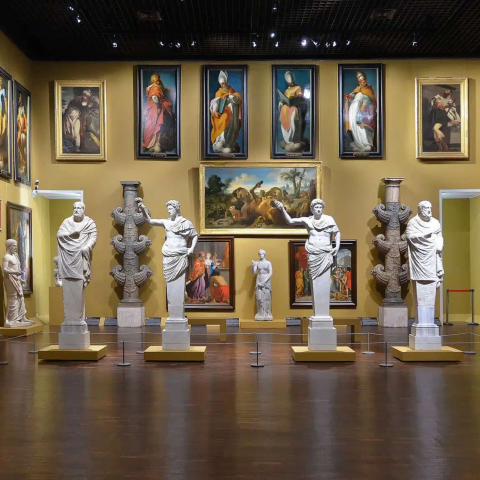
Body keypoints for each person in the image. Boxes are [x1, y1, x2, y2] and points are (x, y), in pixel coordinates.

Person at [275, 198, 340, 318]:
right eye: (316, 207)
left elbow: (337, 233)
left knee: (324, 282)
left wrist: (337, 246)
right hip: (313, 253)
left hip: (325, 252)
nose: (318, 209)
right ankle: (318, 315)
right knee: (315, 283)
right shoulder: (307, 220)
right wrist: (282, 209)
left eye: (320, 207)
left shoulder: (329, 219)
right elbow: (290, 221)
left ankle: (323, 315)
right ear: (312, 209)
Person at [137, 198, 197, 321]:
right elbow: (149, 221)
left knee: (179, 287)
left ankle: (178, 316)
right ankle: (173, 316)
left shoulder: (186, 223)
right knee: (170, 286)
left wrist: (191, 248)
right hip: (168, 256)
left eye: (170, 209)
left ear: (176, 209)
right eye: (168, 209)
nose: (169, 211)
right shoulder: (166, 222)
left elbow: (195, 235)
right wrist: (142, 208)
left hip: (180, 255)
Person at [57, 202, 97, 324]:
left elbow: (93, 237)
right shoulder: (67, 222)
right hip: (68, 258)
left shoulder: (89, 223)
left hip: (80, 256)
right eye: (74, 208)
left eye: (79, 208)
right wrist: (71, 234)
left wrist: (87, 247)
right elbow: (59, 234)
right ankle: (70, 319)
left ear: (84, 209)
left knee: (79, 288)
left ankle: (78, 319)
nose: (76, 210)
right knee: (68, 288)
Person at [2, 239, 33, 327]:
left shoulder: (15, 255)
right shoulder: (6, 257)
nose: (15, 248)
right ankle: (13, 319)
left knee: (21, 297)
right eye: (14, 246)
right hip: (9, 279)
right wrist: (15, 272)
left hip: (16, 279)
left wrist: (19, 279)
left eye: (16, 246)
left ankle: (21, 317)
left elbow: (17, 268)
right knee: (13, 298)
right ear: (9, 246)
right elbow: (4, 269)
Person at [209, 70, 242, 154]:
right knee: (224, 124)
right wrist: (215, 110)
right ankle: (220, 143)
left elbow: (238, 99)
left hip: (234, 114)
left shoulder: (233, 92)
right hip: (224, 113)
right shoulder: (219, 93)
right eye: (222, 84)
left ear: (226, 83)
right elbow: (215, 102)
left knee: (233, 127)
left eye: (224, 83)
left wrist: (230, 95)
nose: (223, 85)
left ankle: (230, 144)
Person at [343, 71, 377, 152]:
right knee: (354, 127)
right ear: (359, 82)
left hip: (361, 111)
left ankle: (367, 144)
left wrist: (363, 107)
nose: (363, 82)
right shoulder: (357, 89)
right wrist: (349, 96)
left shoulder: (368, 90)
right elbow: (352, 96)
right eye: (361, 81)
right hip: (353, 111)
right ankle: (359, 144)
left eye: (364, 80)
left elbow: (369, 99)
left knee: (361, 127)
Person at [142, 73, 175, 153]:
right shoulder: (155, 87)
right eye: (157, 79)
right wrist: (159, 106)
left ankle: (153, 144)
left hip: (153, 110)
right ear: (154, 80)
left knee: (153, 126)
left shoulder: (151, 87)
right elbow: (154, 97)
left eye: (158, 79)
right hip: (156, 109)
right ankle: (154, 144)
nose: (158, 81)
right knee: (157, 126)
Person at [278, 70, 307, 152]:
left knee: (293, 122)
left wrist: (293, 99)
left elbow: (300, 97)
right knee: (283, 120)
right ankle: (287, 139)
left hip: (294, 108)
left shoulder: (298, 88)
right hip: (285, 109)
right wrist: (281, 102)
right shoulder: (287, 90)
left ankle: (294, 139)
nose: (290, 83)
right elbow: (283, 98)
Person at [64, 89, 100, 154]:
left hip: (85, 119)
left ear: (89, 97)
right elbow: (71, 109)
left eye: (86, 96)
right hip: (76, 119)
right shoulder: (77, 100)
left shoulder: (92, 101)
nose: (84, 97)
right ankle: (77, 148)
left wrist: (98, 103)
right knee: (77, 133)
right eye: (83, 95)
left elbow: (98, 107)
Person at [430, 86, 461, 152]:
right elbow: (435, 106)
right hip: (436, 119)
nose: (446, 91)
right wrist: (444, 106)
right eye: (445, 90)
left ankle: (444, 145)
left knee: (436, 129)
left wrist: (452, 120)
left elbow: (451, 112)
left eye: (448, 91)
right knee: (436, 136)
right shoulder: (437, 98)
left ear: (450, 92)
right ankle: (442, 147)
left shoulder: (449, 102)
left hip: (441, 120)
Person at [251, 249, 273, 320]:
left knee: (267, 297)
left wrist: (265, 281)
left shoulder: (268, 263)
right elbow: (254, 272)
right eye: (260, 254)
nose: (261, 255)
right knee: (259, 298)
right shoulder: (257, 263)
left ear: (265, 254)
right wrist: (253, 266)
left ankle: (267, 314)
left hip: (266, 280)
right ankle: (260, 313)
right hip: (259, 279)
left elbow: (270, 272)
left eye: (262, 254)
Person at [16, 93, 28, 172]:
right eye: (19, 98)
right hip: (19, 131)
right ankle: (22, 162)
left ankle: (23, 162)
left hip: (22, 131)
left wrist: (23, 129)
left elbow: (24, 120)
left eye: (20, 98)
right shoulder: (19, 109)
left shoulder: (23, 110)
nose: (19, 100)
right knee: (18, 144)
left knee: (21, 145)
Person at [0, 75, 8, 167]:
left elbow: (5, 102)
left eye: (1, 80)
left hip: (2, 113)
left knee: (3, 130)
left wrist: (6, 113)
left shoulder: (3, 91)